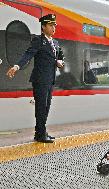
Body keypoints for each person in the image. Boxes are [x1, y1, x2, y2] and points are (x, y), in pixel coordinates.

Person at [6, 14, 64, 143]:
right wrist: (16, 66)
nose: (53, 28)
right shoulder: (38, 40)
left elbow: (60, 56)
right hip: (40, 79)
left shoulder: (55, 43)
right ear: (43, 27)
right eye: (50, 25)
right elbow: (28, 54)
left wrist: (60, 62)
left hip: (50, 80)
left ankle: (41, 132)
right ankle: (40, 134)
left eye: (54, 25)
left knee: (47, 106)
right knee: (41, 107)